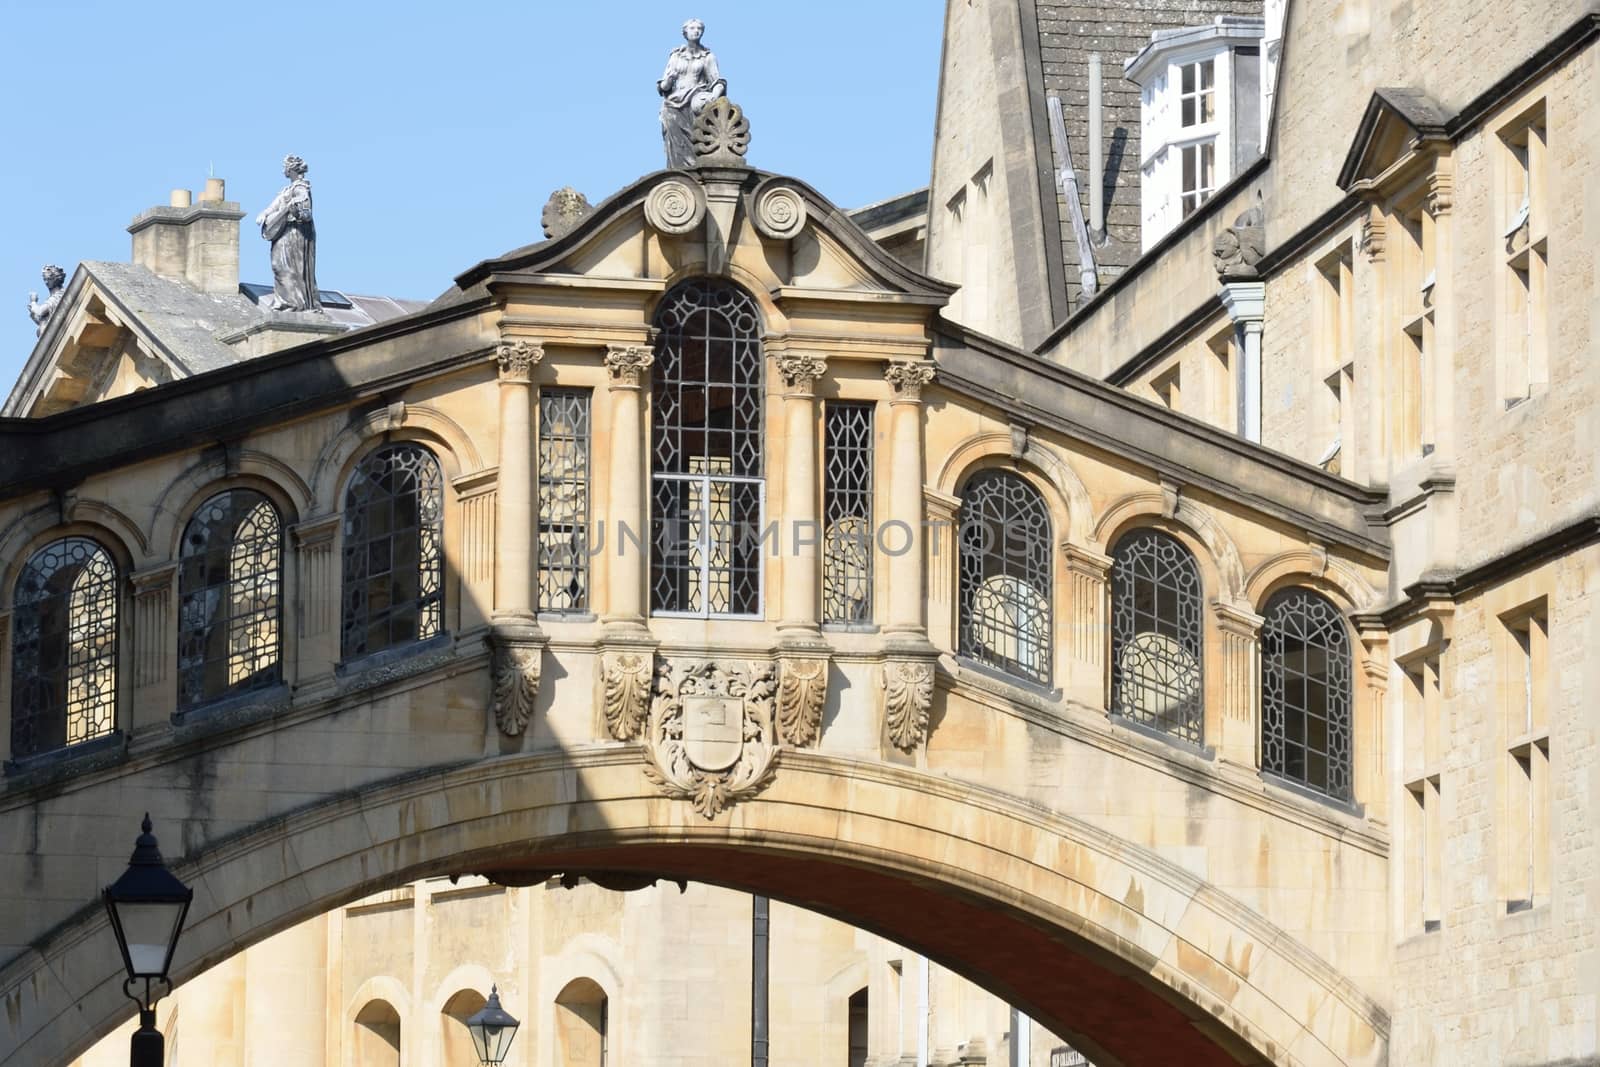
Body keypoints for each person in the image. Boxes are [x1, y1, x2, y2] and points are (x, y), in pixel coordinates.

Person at [255, 155, 321, 312]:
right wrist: (265, 214)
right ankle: (285, 301)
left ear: (291, 169)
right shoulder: (287, 190)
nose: (283, 169)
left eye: (285, 166)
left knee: (289, 267)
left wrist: (294, 212)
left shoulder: (301, 188)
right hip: (282, 232)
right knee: (278, 265)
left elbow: (306, 214)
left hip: (295, 234)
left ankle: (294, 303)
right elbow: (273, 206)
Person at [657, 19, 726, 169]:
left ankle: (697, 166)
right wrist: (669, 79)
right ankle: (678, 169)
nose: (696, 31)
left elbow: (718, 81)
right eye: (692, 28)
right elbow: (664, 86)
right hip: (674, 102)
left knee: (696, 134)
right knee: (674, 135)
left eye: (699, 28)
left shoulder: (708, 56)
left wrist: (714, 96)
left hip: (697, 99)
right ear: (685, 32)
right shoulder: (676, 56)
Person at [26, 264, 66, 337]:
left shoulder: (59, 295)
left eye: (48, 279)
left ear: (54, 278)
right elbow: (44, 321)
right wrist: (33, 313)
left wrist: (33, 302)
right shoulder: (53, 297)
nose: (46, 282)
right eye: (44, 279)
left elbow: (40, 311)